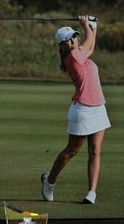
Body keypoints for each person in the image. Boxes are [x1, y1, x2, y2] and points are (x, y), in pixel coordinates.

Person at [41, 15, 109, 205]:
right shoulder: (71, 56)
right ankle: (50, 181)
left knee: (95, 151)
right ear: (62, 45)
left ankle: (91, 193)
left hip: (99, 108)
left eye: (74, 37)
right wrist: (88, 26)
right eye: (68, 39)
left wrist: (93, 29)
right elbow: (88, 45)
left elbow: (91, 47)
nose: (73, 41)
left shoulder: (80, 53)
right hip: (83, 110)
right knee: (71, 151)